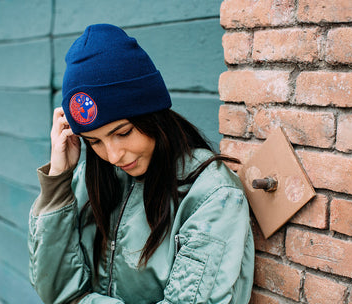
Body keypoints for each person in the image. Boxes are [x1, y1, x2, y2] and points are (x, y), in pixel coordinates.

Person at [28, 24, 254, 304]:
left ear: (152, 114)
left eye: (122, 133)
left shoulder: (212, 195)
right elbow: (56, 290)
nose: (113, 156)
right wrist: (58, 182)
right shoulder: (91, 180)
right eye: (94, 141)